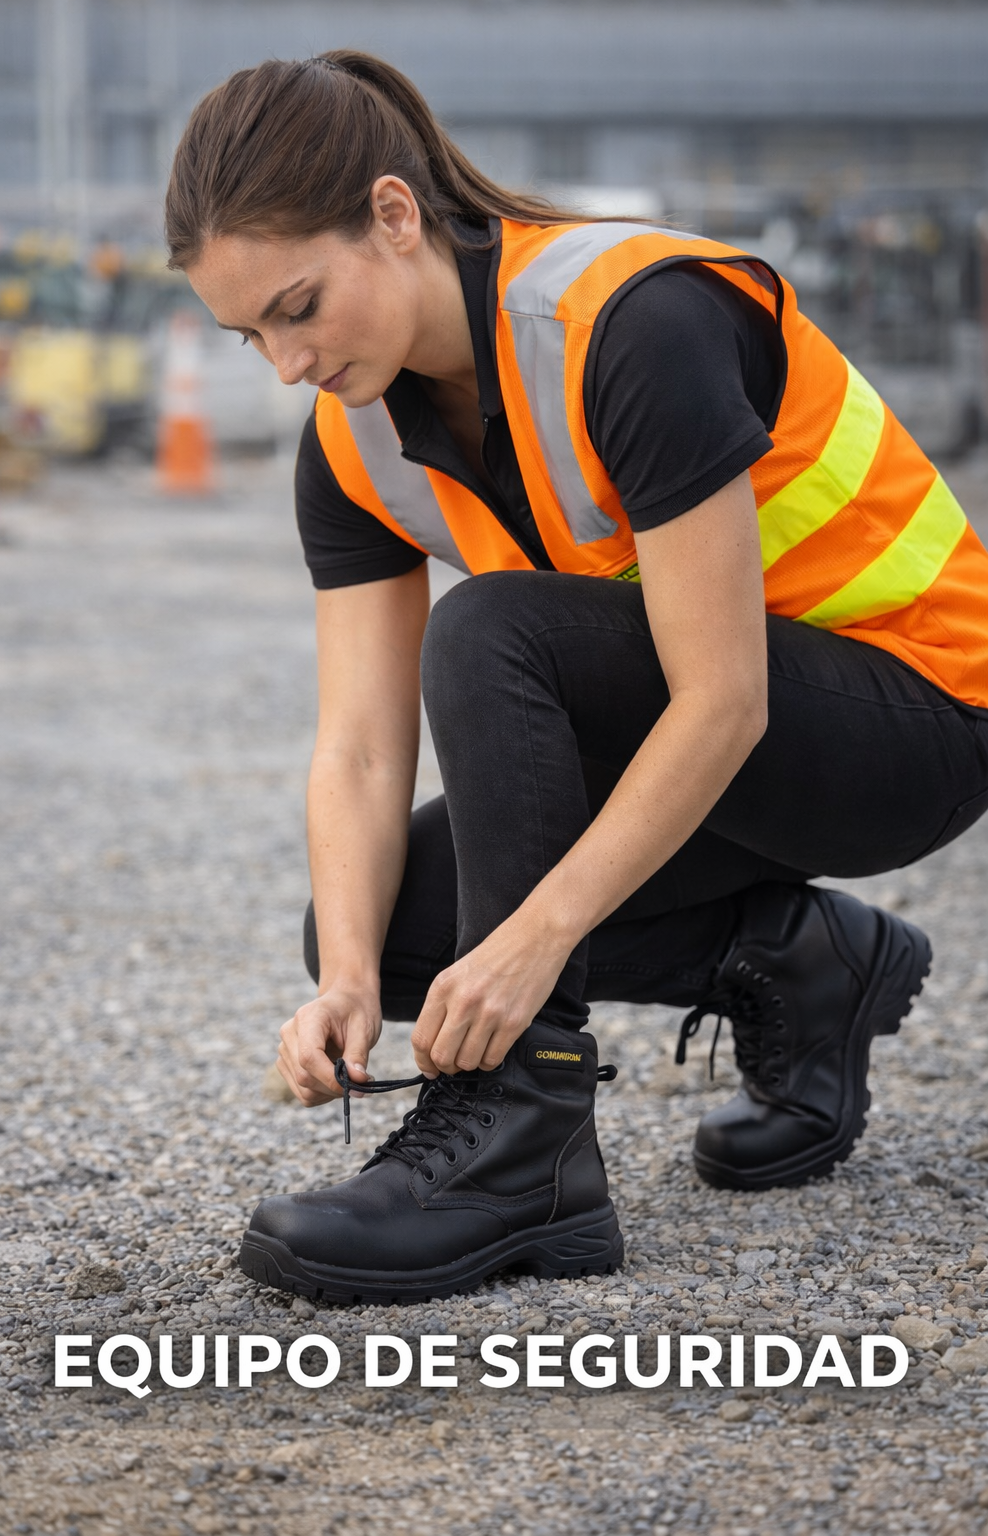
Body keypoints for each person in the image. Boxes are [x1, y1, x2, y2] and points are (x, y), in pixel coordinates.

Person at [167, 52, 988, 1305]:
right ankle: (798, 962)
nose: (285, 362)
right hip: (723, 750)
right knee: (381, 925)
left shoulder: (631, 322)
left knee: (492, 631)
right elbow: (362, 751)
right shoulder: (351, 441)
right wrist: (343, 982)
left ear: (393, 215)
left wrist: (536, 944)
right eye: (250, 335)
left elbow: (723, 697)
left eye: (300, 307)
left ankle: (521, 1142)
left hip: (914, 717)